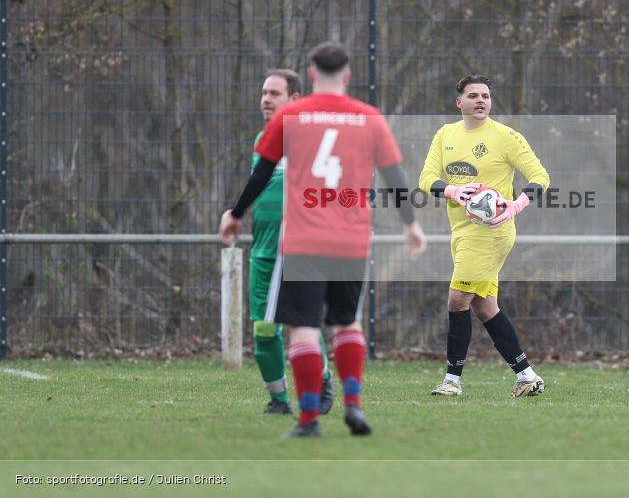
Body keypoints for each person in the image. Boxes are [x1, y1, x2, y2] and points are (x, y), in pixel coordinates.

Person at [220, 42, 426, 438]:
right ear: (347, 76)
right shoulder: (369, 118)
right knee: (347, 323)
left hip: (302, 240)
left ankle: (309, 419)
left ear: (311, 76)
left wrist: (235, 214)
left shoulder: (292, 115)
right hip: (350, 240)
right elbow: (395, 177)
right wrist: (410, 224)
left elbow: (261, 174)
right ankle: (352, 403)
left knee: (300, 328)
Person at [419, 74, 549, 398]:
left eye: (486, 96)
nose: (481, 100)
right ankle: (527, 375)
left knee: (457, 298)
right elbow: (426, 178)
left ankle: (452, 381)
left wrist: (515, 205)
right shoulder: (445, 135)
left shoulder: (506, 137)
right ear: (458, 102)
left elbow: (540, 176)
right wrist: (453, 190)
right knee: (484, 306)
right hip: (461, 232)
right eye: (473, 95)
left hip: (492, 232)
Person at [247, 69, 334, 416]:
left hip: (300, 249)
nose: (266, 99)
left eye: (274, 93)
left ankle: (322, 381)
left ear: (295, 100)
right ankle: (279, 400)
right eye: (263, 92)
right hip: (263, 250)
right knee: (263, 331)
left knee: (302, 324)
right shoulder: (261, 141)